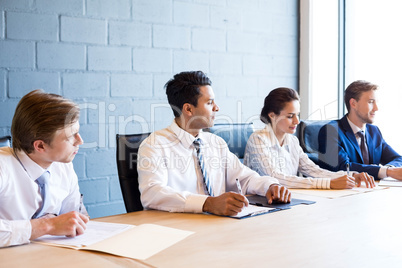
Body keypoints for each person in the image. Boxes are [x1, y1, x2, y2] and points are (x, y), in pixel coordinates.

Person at [137, 71, 291, 217]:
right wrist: (208, 204)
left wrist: (270, 186)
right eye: (210, 103)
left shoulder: (215, 143)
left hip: (217, 227)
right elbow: (153, 194)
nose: (217, 108)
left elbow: (244, 178)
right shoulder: (154, 145)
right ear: (188, 109)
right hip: (177, 231)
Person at [0, 90, 89, 248]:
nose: (80, 141)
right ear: (40, 145)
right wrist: (48, 226)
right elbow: (55, 224)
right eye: (71, 136)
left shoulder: (64, 165)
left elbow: (75, 215)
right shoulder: (3, 167)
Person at [244, 87, 375, 189]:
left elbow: (313, 170)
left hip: (289, 198)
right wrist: (327, 184)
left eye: (297, 115)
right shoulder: (258, 140)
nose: (297, 121)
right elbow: (275, 178)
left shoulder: (292, 141)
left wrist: (351, 176)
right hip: (261, 204)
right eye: (290, 116)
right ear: (272, 116)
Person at [318, 80, 402, 180]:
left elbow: (397, 159)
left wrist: (390, 170)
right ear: (353, 103)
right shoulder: (331, 131)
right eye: (370, 102)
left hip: (371, 190)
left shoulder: (373, 131)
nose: (376, 108)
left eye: (376, 102)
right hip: (343, 192)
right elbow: (343, 167)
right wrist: (386, 172)